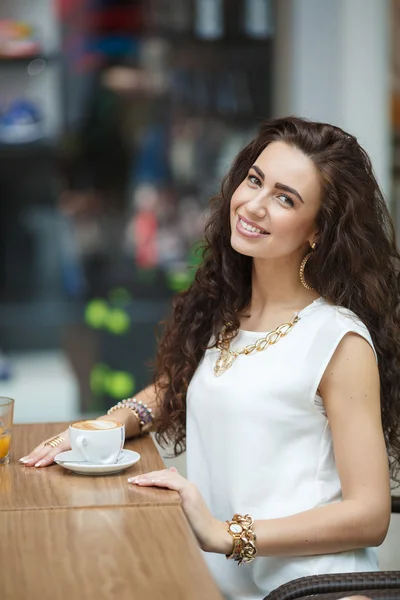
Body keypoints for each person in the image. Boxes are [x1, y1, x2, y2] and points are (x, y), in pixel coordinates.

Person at [20, 117, 400, 600]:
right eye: (255, 180)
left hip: (308, 588)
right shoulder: (231, 307)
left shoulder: (338, 340)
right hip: (210, 582)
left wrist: (226, 533)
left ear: (319, 231)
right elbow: (181, 386)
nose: (254, 205)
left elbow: (370, 516)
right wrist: (103, 428)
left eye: (285, 198)